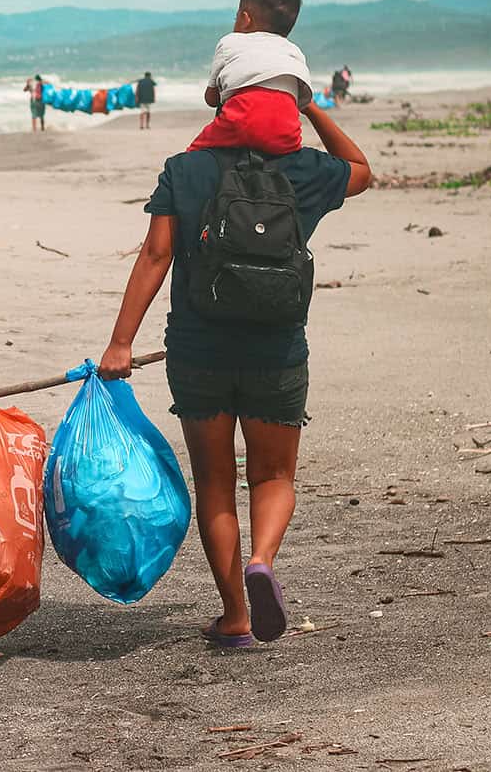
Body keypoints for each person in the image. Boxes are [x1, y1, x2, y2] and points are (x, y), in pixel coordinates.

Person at [96, 102, 371, 648]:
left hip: (198, 353)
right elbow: (361, 170)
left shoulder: (185, 170)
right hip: (277, 353)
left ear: (224, 104)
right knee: (273, 477)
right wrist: (311, 104)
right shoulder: (306, 170)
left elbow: (155, 255)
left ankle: (236, 617)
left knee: (215, 483)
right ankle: (262, 560)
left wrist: (120, 342)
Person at [187, 0, 313, 156]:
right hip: (288, 137)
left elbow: (211, 99)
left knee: (189, 157)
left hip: (240, 124)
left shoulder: (229, 42)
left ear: (245, 19)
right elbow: (300, 101)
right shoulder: (295, 52)